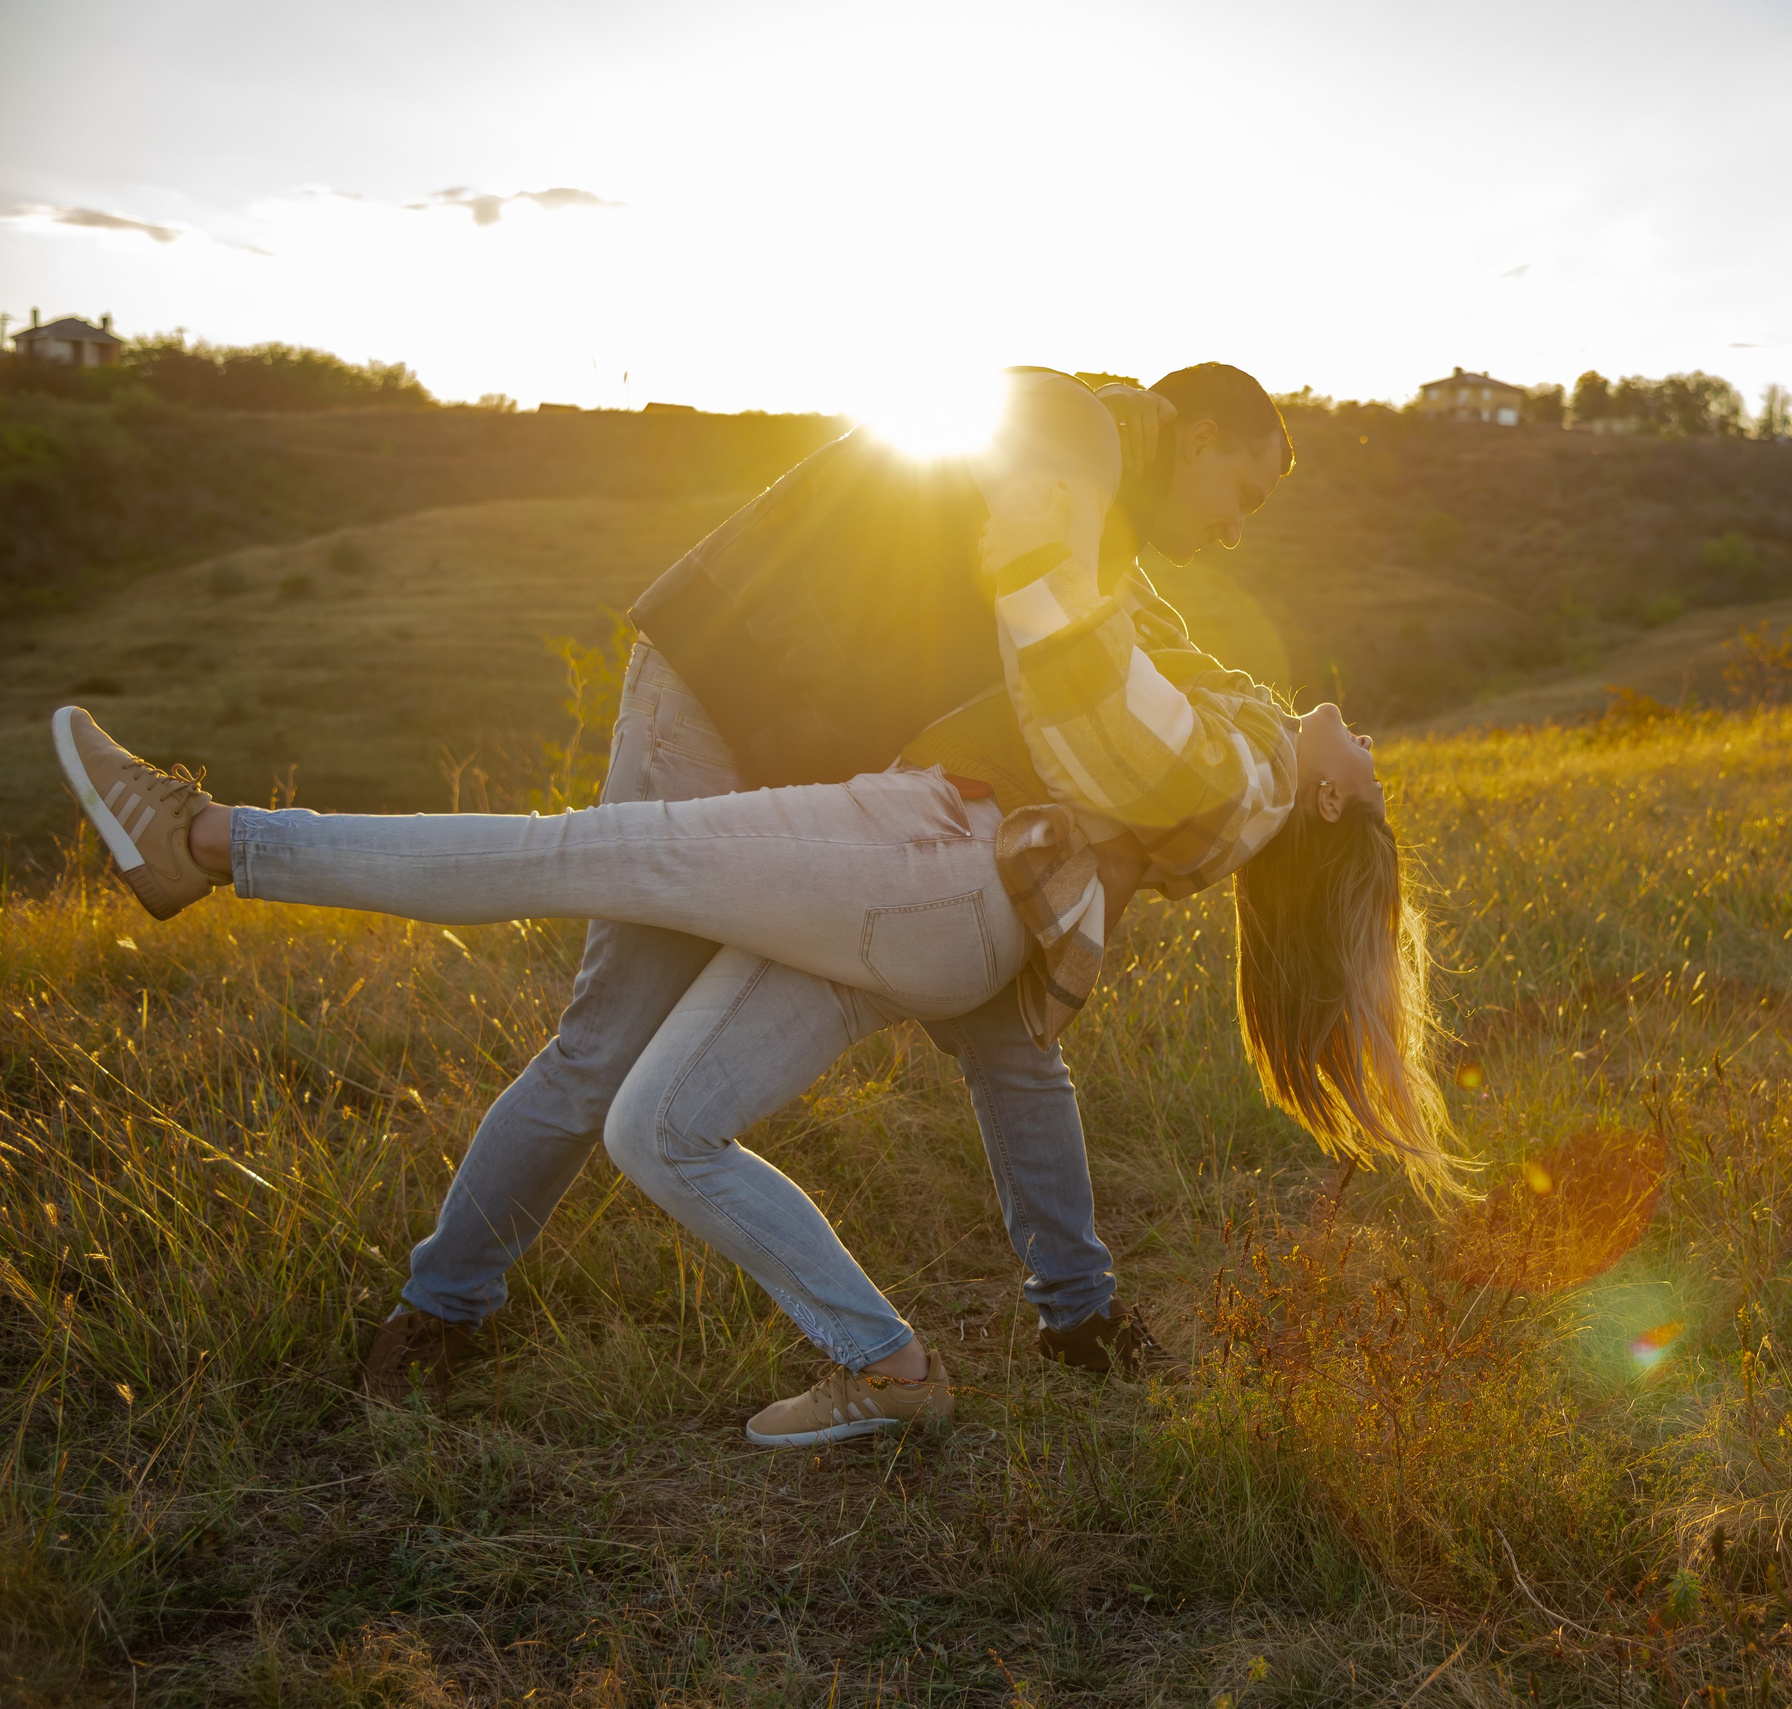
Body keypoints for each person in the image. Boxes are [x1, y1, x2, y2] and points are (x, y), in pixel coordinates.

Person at [157, 365, 1297, 1405]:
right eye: (1241, 492)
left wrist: (1293, 741)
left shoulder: (1100, 497)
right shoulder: (1069, 427)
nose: (1239, 531)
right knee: (607, 1041)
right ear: (1196, 433)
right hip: (718, 694)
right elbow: (1086, 642)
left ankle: (1081, 1314)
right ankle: (444, 1304)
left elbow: (1154, 654)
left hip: (820, 739)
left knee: (1012, 1027)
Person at [53, 634, 1456, 1442]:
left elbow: (1083, 638)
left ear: (1331, 809)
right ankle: (889, 1367)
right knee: (652, 1126)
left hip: (908, 854)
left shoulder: (1248, 771)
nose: (1370, 739)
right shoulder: (1251, 755)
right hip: (924, 914)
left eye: (1373, 769)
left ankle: (207, 838)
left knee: (564, 856)